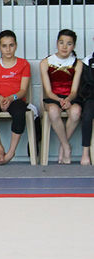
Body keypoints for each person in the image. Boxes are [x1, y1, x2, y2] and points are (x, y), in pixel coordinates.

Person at [0, 30, 32, 165]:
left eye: (11, 45)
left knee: (20, 112)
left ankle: (11, 152)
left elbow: (23, 90)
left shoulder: (24, 64)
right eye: (4, 46)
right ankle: (0, 149)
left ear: (16, 46)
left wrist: (10, 98)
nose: (8, 49)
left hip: (16, 99)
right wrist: (0, 99)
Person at [39, 29, 83, 164]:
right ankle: (66, 146)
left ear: (74, 46)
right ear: (57, 43)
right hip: (53, 97)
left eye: (69, 44)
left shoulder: (78, 64)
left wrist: (68, 100)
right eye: (61, 43)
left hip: (70, 97)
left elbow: (74, 90)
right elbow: (48, 91)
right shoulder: (45, 62)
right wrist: (59, 100)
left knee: (76, 112)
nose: (64, 47)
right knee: (53, 111)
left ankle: (62, 146)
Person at [79, 47, 94, 165]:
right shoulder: (88, 61)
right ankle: (85, 152)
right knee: (87, 115)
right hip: (91, 98)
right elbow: (85, 86)